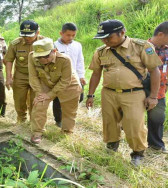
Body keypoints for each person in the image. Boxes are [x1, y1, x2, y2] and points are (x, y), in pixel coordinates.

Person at [86, 19, 162, 166]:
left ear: (122, 32)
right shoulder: (101, 51)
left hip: (134, 93)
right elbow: (96, 74)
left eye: (109, 37)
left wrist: (153, 96)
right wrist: (90, 95)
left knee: (134, 124)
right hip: (108, 93)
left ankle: (138, 153)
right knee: (109, 122)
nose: (105, 41)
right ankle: (111, 146)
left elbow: (154, 71)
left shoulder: (141, 47)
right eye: (103, 38)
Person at [28, 38, 82, 144]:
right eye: (39, 57)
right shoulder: (31, 56)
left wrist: (50, 95)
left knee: (69, 110)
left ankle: (67, 132)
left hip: (68, 85)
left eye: (46, 56)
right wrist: (39, 94)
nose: (43, 60)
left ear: (54, 51)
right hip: (46, 82)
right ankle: (37, 132)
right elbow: (33, 77)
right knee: (39, 103)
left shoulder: (65, 60)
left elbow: (65, 81)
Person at [4, 20, 44, 123]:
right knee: (19, 99)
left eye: (30, 35)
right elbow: (8, 60)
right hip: (21, 75)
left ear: (37, 32)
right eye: (24, 35)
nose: (27, 38)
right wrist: (8, 77)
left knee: (35, 100)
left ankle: (34, 121)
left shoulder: (45, 42)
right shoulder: (15, 43)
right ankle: (21, 119)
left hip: (38, 76)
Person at [53, 23, 86, 127]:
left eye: (73, 35)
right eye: (68, 35)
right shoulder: (54, 46)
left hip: (74, 76)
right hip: (59, 78)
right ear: (61, 33)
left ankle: (69, 117)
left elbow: (80, 61)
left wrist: (81, 76)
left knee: (79, 97)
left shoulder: (77, 45)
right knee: (58, 100)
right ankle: (59, 120)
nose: (70, 37)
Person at [147, 21, 168, 154]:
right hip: (141, 89)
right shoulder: (144, 47)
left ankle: (156, 145)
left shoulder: (167, 49)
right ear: (161, 34)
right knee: (132, 118)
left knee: (158, 118)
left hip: (160, 91)